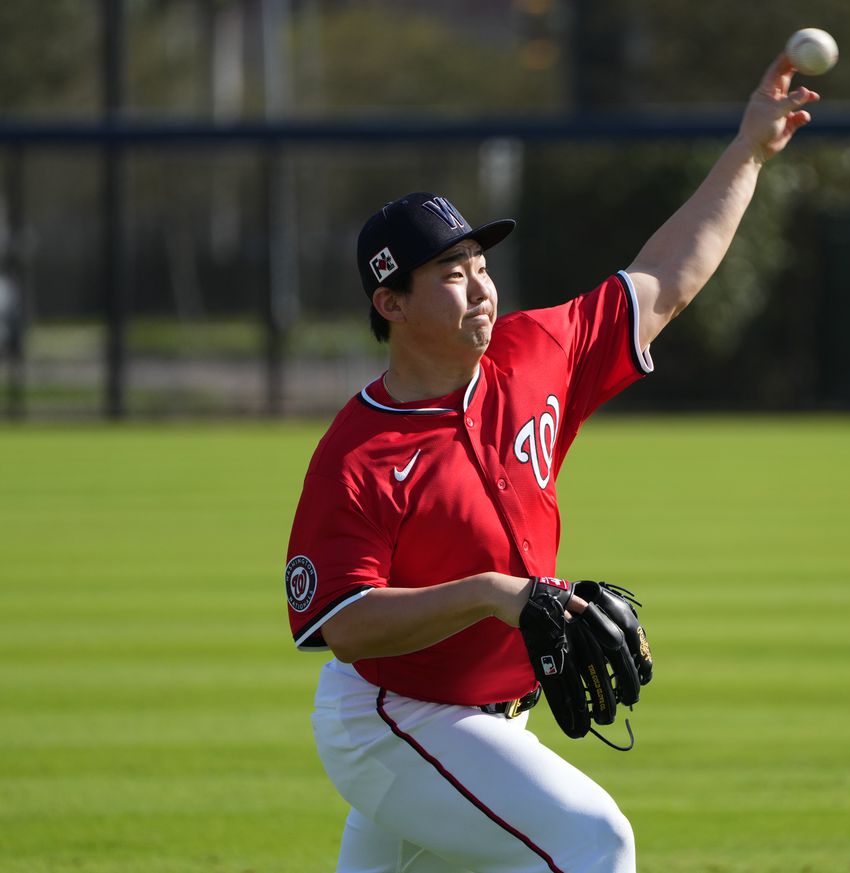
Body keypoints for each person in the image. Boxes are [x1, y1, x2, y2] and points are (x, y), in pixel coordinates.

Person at [283, 53, 819, 873]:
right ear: (389, 304)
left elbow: (666, 277)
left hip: (492, 720)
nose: (480, 287)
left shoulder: (534, 354)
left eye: (482, 265)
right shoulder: (360, 453)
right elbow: (347, 623)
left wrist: (748, 150)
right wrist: (494, 595)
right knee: (591, 838)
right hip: (396, 718)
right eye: (451, 274)